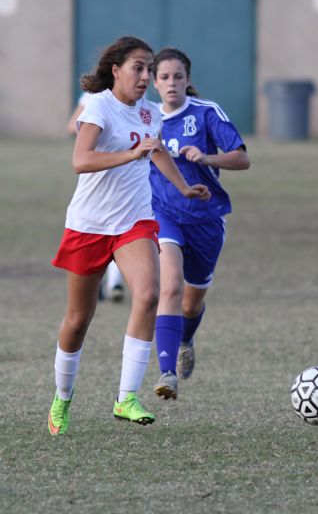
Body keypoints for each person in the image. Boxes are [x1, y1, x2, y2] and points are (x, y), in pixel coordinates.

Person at [48, 36, 210, 435]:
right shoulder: (99, 106)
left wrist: (183, 188)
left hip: (134, 222)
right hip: (88, 224)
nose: (144, 76)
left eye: (148, 69)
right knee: (77, 319)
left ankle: (126, 398)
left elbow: (157, 153)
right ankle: (62, 397)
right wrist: (129, 154)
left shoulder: (150, 113)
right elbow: (80, 160)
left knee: (150, 294)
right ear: (116, 70)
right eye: (137, 67)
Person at [150, 48, 250, 400]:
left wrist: (207, 157)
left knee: (191, 304)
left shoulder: (207, 113)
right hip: (164, 215)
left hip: (207, 220)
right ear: (153, 82)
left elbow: (242, 158)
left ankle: (187, 339)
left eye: (178, 76)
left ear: (188, 80)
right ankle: (166, 373)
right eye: (164, 77)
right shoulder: (146, 118)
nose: (172, 83)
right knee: (170, 287)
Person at [67, 93, 125, 302]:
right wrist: (96, 128)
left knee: (125, 227)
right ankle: (100, 279)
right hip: (98, 179)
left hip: (129, 184)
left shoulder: (139, 97)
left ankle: (115, 282)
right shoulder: (93, 98)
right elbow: (72, 127)